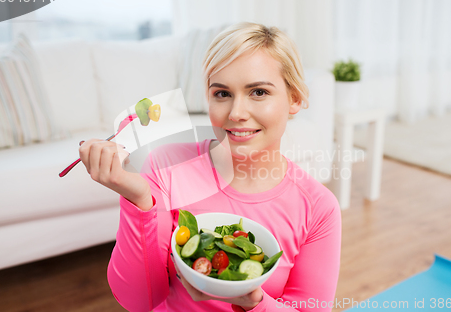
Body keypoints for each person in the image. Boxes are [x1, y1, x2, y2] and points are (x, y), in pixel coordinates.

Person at [79, 22, 341, 312]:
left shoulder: (318, 208)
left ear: (294, 99)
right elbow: (139, 302)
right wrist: (139, 202)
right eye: (222, 94)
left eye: (258, 93)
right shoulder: (166, 165)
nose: (237, 113)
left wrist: (255, 304)